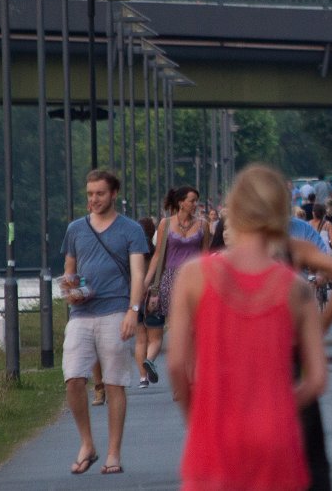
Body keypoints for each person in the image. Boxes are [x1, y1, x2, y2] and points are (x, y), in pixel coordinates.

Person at [167, 164, 327, 491]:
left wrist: (194, 416)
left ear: (234, 209)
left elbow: (175, 364)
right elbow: (316, 378)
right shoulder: (296, 288)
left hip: (213, 433)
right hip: (277, 436)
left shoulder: (194, 275)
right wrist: (281, 406)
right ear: (281, 213)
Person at [60, 169, 149, 475]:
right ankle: (87, 443)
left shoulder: (131, 230)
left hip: (115, 310)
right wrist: (70, 290)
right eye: (89, 194)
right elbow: (70, 268)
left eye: (99, 193)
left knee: (114, 383)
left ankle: (113, 452)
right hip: (81, 313)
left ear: (114, 194)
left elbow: (138, 274)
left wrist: (132, 311)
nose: (93, 199)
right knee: (73, 378)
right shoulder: (75, 229)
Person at [140, 186, 211, 389]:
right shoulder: (166, 224)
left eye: (197, 200)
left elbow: (205, 256)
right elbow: (158, 255)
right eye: (192, 200)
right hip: (171, 280)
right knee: (180, 329)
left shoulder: (203, 225)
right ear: (181, 202)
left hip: (196, 279)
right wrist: (147, 283)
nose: (195, 204)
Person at [133, 217, 157, 389]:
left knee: (140, 340)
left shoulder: (133, 253)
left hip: (135, 298)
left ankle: (142, 378)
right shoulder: (155, 253)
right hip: (153, 298)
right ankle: (150, 361)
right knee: (155, 338)